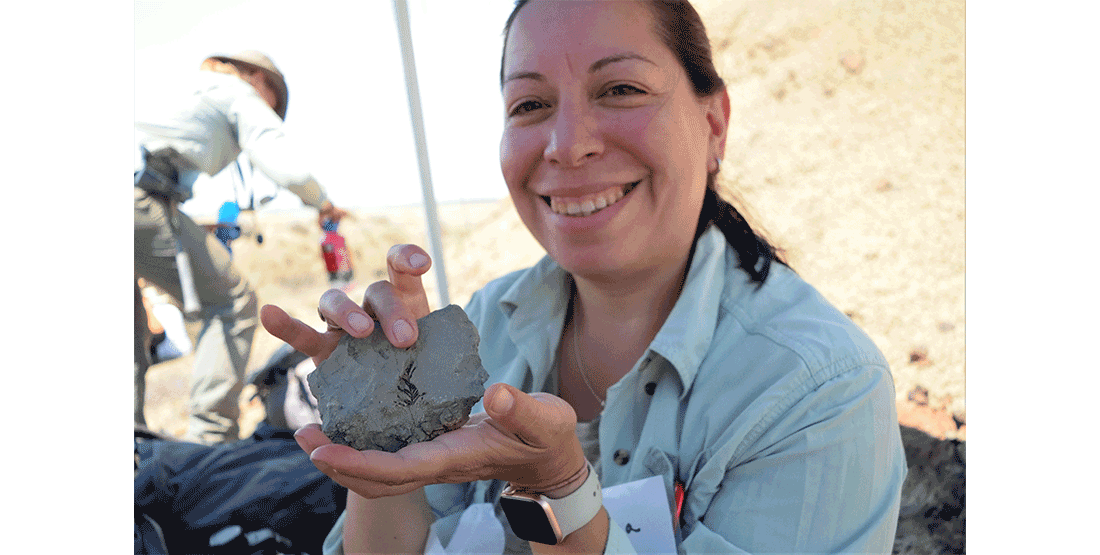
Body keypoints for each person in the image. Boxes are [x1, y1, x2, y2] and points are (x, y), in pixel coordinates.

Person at [261, 1, 908, 552]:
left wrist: (562, 491)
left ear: (714, 125)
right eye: (531, 103)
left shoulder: (818, 391)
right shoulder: (487, 324)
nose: (567, 144)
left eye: (620, 89)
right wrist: (382, 444)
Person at [135, 50, 347, 444]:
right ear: (255, 77)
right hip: (140, 196)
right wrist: (322, 202)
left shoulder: (186, 88)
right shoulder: (237, 92)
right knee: (233, 302)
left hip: (146, 188)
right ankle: (211, 437)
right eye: (274, 99)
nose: (273, 110)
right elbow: (287, 167)